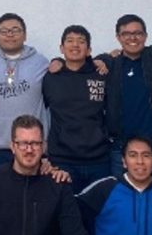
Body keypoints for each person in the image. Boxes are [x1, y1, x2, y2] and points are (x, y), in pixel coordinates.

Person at [99, 15, 152, 181]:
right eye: (126, 34)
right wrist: (57, 60)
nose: (132, 38)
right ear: (118, 37)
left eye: (138, 33)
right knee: (122, 195)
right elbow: (79, 63)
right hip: (121, 149)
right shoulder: (111, 65)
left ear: (145, 36)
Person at [41, 24, 110, 192]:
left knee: (98, 206)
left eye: (81, 41)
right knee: (65, 206)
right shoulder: (50, 77)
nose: (75, 45)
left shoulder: (101, 74)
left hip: (98, 160)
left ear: (89, 50)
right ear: (61, 48)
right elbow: (39, 112)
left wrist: (106, 59)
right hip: (62, 160)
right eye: (70, 41)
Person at [0, 13, 49, 171]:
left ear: (25, 35)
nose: (10, 34)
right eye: (4, 31)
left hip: (32, 146)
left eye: (15, 30)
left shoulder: (41, 63)